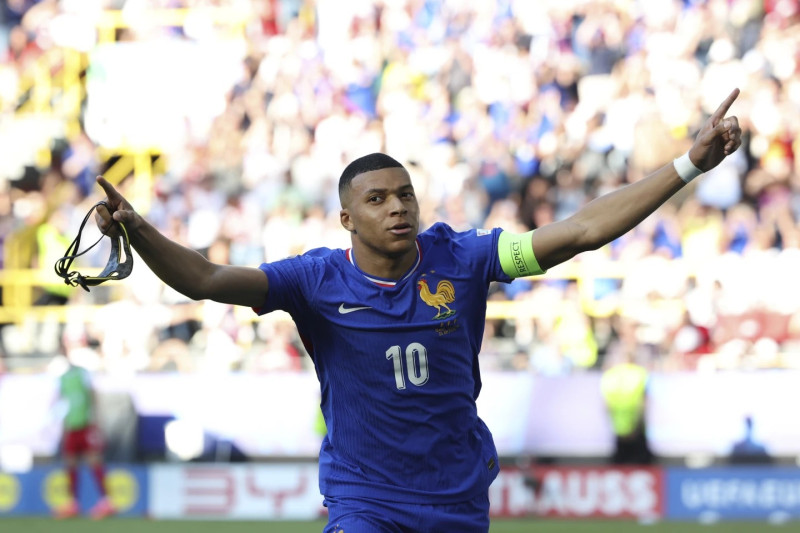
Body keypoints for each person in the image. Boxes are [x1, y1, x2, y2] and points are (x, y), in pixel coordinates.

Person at [92, 89, 742, 531]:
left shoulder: (465, 257)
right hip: (365, 498)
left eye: (405, 194)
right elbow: (206, 277)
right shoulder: (314, 279)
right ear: (347, 217)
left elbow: (577, 233)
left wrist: (687, 164)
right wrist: (139, 229)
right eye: (378, 199)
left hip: (455, 496)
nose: (398, 206)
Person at [53, 346, 115, 519]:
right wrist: (64, 427)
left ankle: (107, 501)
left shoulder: (83, 373)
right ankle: (72, 503)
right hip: (72, 426)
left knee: (94, 461)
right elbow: (64, 404)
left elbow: (93, 395)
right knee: (70, 463)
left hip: (86, 425)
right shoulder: (62, 378)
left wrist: (96, 421)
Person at [600, 352, 654, 465]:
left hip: (618, 424)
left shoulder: (610, 375)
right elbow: (644, 400)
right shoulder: (640, 373)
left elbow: (606, 403)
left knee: (620, 462)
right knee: (641, 461)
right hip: (636, 423)